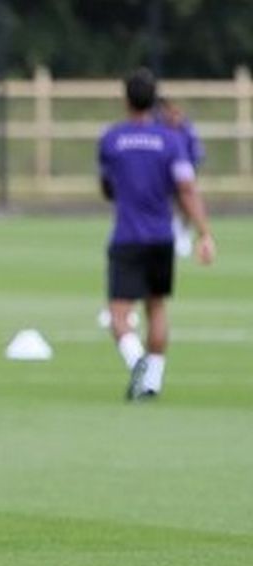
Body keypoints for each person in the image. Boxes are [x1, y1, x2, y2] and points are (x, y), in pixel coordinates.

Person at [98, 68, 214, 402]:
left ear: (126, 100)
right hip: (162, 236)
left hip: (127, 236)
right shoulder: (171, 141)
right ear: (154, 102)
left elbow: (107, 187)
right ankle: (152, 382)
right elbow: (186, 189)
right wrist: (204, 233)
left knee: (119, 315)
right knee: (157, 307)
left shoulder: (112, 139)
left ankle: (138, 361)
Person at [154, 96, 205, 257]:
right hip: (163, 176)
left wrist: (189, 173)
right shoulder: (159, 129)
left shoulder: (187, 130)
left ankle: (183, 234)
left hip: (183, 172)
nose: (174, 115)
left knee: (186, 202)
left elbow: (196, 154)